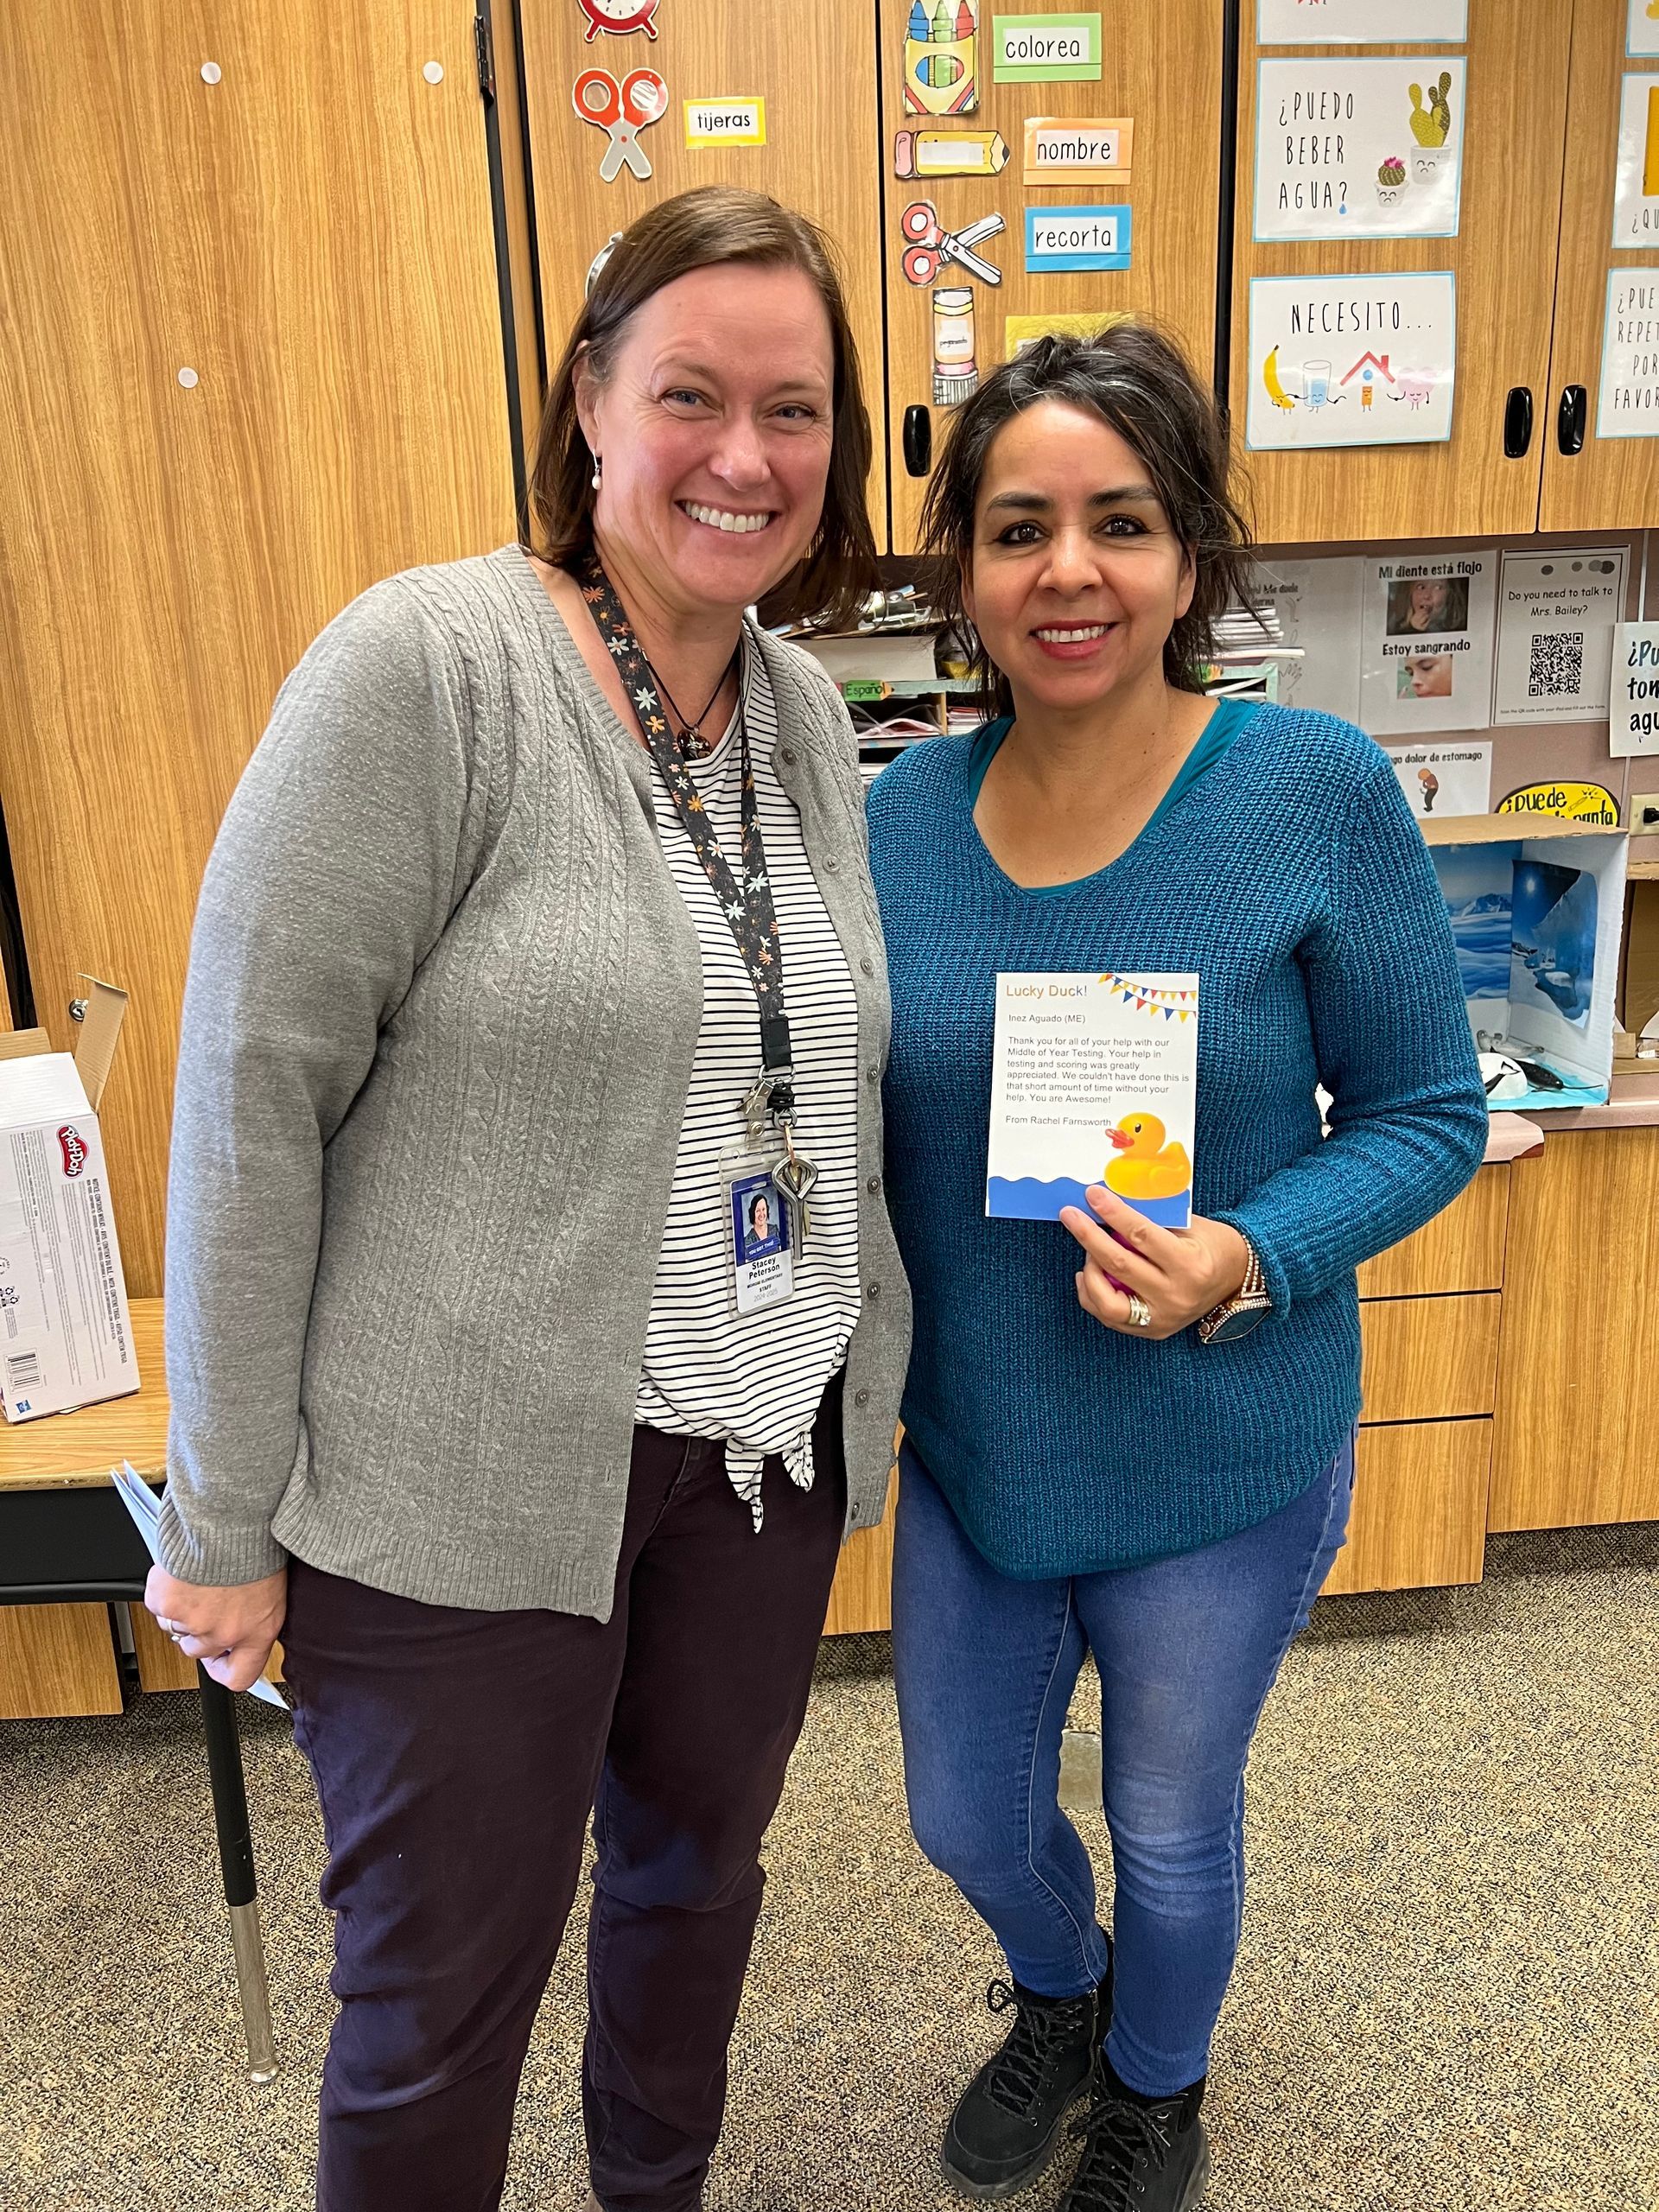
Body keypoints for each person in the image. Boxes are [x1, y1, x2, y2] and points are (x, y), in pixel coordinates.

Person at [144, 186, 910, 2212]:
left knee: (693, 1900)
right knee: (437, 2000)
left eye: (797, 409)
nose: (746, 456)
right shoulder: (431, 669)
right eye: (689, 395)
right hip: (462, 1488)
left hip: (757, 1457)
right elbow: (249, 1096)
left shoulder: (811, 717)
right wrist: (221, 1515)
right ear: (588, 407)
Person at [867, 327, 1487, 2212]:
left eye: (1121, 522)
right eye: (1018, 526)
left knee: (1168, 1815)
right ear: (960, 574)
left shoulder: (1313, 787)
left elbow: (1428, 1113)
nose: (1069, 570)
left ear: (1192, 552)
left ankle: (1154, 2076)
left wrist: (1246, 1249)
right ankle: (1062, 1991)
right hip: (981, 1437)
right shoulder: (892, 818)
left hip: (1219, 1433)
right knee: (964, 1806)